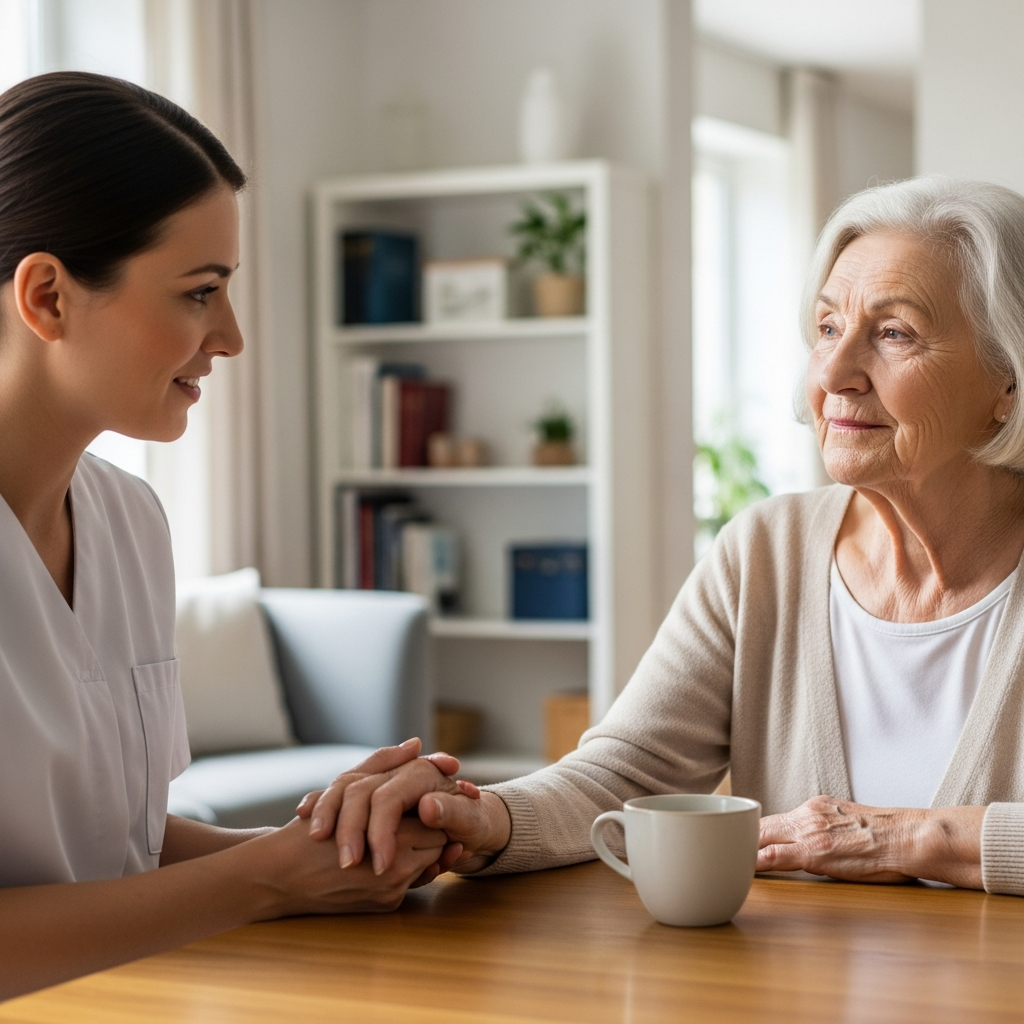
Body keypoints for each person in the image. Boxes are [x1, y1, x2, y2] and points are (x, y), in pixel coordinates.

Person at [302, 175, 1024, 897]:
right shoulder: (766, 553)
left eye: (895, 333)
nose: (834, 372)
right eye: (828, 328)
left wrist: (911, 837)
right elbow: (627, 776)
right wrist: (485, 817)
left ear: (1007, 382)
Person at [0, 72, 466, 1002]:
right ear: (48, 296)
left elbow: (118, 842)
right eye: (201, 292)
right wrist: (264, 881)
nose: (232, 337)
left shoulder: (129, 523)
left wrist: (335, 855)